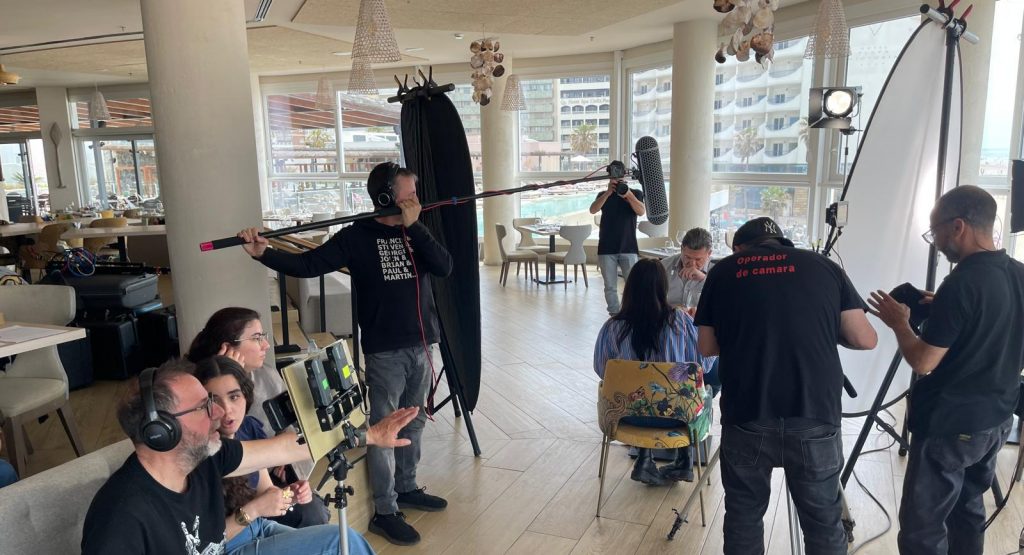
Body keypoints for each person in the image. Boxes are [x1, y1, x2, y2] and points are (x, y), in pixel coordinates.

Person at [237, 161, 453, 546]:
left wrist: (415, 226)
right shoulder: (356, 236)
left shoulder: (415, 231)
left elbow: (444, 266)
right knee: (384, 429)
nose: (415, 201)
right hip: (385, 350)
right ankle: (385, 510)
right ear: (385, 198)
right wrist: (263, 253)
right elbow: (308, 264)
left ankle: (407, 486)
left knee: (415, 421)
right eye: (408, 195)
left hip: (422, 343)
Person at [81, 359, 418, 554]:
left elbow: (286, 447)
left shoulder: (205, 459)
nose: (219, 413)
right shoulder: (120, 515)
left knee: (344, 542)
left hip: (242, 536)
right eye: (204, 406)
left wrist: (367, 436)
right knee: (337, 543)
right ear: (162, 431)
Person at [695, 216, 877, 555]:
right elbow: (864, 338)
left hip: (747, 411)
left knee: (744, 515)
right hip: (813, 411)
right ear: (783, 243)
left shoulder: (723, 271)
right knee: (823, 521)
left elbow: (706, 347)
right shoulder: (825, 267)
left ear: (739, 249)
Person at [867, 185, 1024, 555]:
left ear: (958, 226)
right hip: (996, 421)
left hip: (951, 428)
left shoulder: (962, 282)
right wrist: (953, 313)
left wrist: (899, 323)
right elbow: (1000, 324)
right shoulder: (1018, 273)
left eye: (934, 231)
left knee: (922, 530)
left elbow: (923, 361)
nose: (935, 241)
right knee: (967, 512)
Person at [193, 355, 347, 553]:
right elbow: (202, 545)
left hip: (258, 528)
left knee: (341, 538)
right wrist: (255, 509)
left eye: (234, 397)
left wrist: (290, 494)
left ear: (246, 396)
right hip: (226, 546)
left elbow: (267, 491)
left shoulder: (247, 428)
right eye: (214, 401)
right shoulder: (198, 452)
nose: (227, 410)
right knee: (337, 541)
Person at [593, 258, 716, 485]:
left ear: (629, 287)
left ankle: (644, 459)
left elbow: (603, 371)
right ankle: (684, 461)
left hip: (625, 416)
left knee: (640, 393)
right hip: (677, 418)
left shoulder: (612, 327)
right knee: (695, 389)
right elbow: (705, 366)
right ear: (663, 288)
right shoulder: (681, 321)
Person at [661, 227, 720, 396]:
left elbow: (727, 304)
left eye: (698, 259)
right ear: (681, 249)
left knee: (715, 375)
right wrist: (672, 311)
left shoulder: (718, 272)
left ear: (709, 254)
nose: (692, 264)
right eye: (687, 257)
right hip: (668, 334)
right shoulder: (664, 267)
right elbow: (650, 300)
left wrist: (704, 280)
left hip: (703, 334)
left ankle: (704, 401)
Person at [590, 177, 645, 315]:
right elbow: (593, 210)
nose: (617, 179)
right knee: (610, 286)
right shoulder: (603, 195)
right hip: (606, 247)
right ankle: (615, 315)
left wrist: (628, 194)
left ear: (625, 177)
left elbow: (641, 211)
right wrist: (608, 193)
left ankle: (632, 314)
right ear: (610, 178)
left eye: (620, 176)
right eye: (614, 176)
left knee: (633, 285)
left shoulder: (635, 193)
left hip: (629, 247)